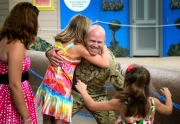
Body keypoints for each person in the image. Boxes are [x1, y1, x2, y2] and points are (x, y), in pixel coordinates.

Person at [36, 15, 110, 124]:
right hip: (61, 89)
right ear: (83, 31)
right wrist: (103, 44)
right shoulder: (78, 48)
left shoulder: (60, 41)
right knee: (60, 121)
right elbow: (105, 63)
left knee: (47, 120)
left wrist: (48, 52)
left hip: (48, 85)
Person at [46, 24, 125, 124]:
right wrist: (49, 52)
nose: (95, 45)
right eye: (92, 41)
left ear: (104, 42)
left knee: (110, 121)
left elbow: (123, 86)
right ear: (85, 38)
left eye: (99, 42)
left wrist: (125, 112)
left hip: (98, 95)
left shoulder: (110, 60)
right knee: (59, 121)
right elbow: (59, 46)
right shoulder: (77, 48)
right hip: (74, 93)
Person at [75, 64, 173, 124]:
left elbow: (92, 106)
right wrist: (168, 96)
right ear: (146, 84)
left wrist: (83, 90)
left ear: (125, 83)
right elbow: (168, 110)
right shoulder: (153, 102)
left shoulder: (120, 102)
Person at [0, 2, 39, 124]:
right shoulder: (16, 44)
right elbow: (14, 85)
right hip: (12, 100)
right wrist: (27, 118)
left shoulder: (3, 38)